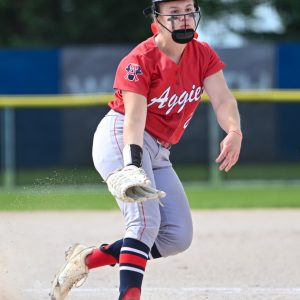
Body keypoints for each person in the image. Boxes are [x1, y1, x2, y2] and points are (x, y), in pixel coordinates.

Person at [50, 0, 243, 299]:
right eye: (175, 13)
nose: (184, 19)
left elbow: (223, 100)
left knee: (176, 236)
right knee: (144, 222)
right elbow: (134, 119)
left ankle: (87, 259)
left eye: (189, 10)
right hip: (123, 139)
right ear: (157, 17)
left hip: (159, 151)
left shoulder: (202, 53)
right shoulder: (139, 59)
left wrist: (233, 130)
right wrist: (132, 165)